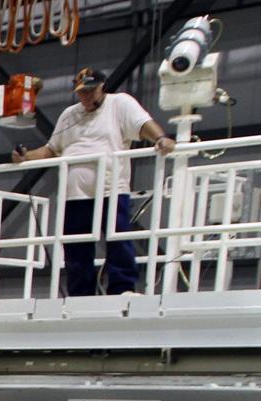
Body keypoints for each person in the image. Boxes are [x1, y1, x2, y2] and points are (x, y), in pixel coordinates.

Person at [12, 67, 175, 297]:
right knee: (76, 247)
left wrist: (160, 138)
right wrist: (25, 157)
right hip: (75, 193)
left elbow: (142, 124)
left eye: (90, 91)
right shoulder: (69, 114)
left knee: (118, 240)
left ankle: (122, 288)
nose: (86, 96)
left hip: (110, 189)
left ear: (102, 87)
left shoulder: (119, 104)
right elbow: (52, 149)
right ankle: (80, 294)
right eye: (82, 92)